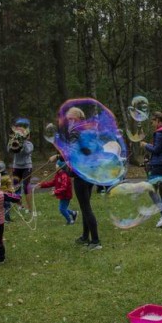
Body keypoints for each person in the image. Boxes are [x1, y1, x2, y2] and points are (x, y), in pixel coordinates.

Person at [50, 106, 101, 250]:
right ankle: (85, 237)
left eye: (71, 119)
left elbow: (72, 152)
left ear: (78, 118)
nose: (69, 122)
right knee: (85, 206)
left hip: (81, 174)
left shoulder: (75, 132)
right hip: (90, 173)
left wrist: (59, 156)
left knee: (86, 208)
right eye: (68, 119)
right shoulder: (90, 131)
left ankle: (96, 241)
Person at [141, 111, 162, 228]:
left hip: (158, 165)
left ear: (158, 121)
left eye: (153, 122)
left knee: (151, 190)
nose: (152, 124)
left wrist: (145, 145)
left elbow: (156, 150)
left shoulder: (159, 133)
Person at [38, 160, 78, 225]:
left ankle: (70, 221)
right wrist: (42, 185)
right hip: (62, 195)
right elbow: (52, 182)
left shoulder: (64, 175)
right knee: (63, 208)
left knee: (62, 209)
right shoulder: (58, 174)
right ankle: (74, 213)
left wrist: (55, 192)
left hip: (66, 195)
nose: (55, 166)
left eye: (56, 165)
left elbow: (64, 187)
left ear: (60, 167)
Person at [8, 126, 34, 213]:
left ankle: (30, 208)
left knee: (26, 186)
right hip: (16, 167)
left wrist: (23, 141)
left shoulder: (29, 144)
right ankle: (20, 205)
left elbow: (27, 151)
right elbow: (9, 149)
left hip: (27, 167)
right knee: (16, 186)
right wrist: (12, 140)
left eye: (26, 135)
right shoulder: (14, 142)